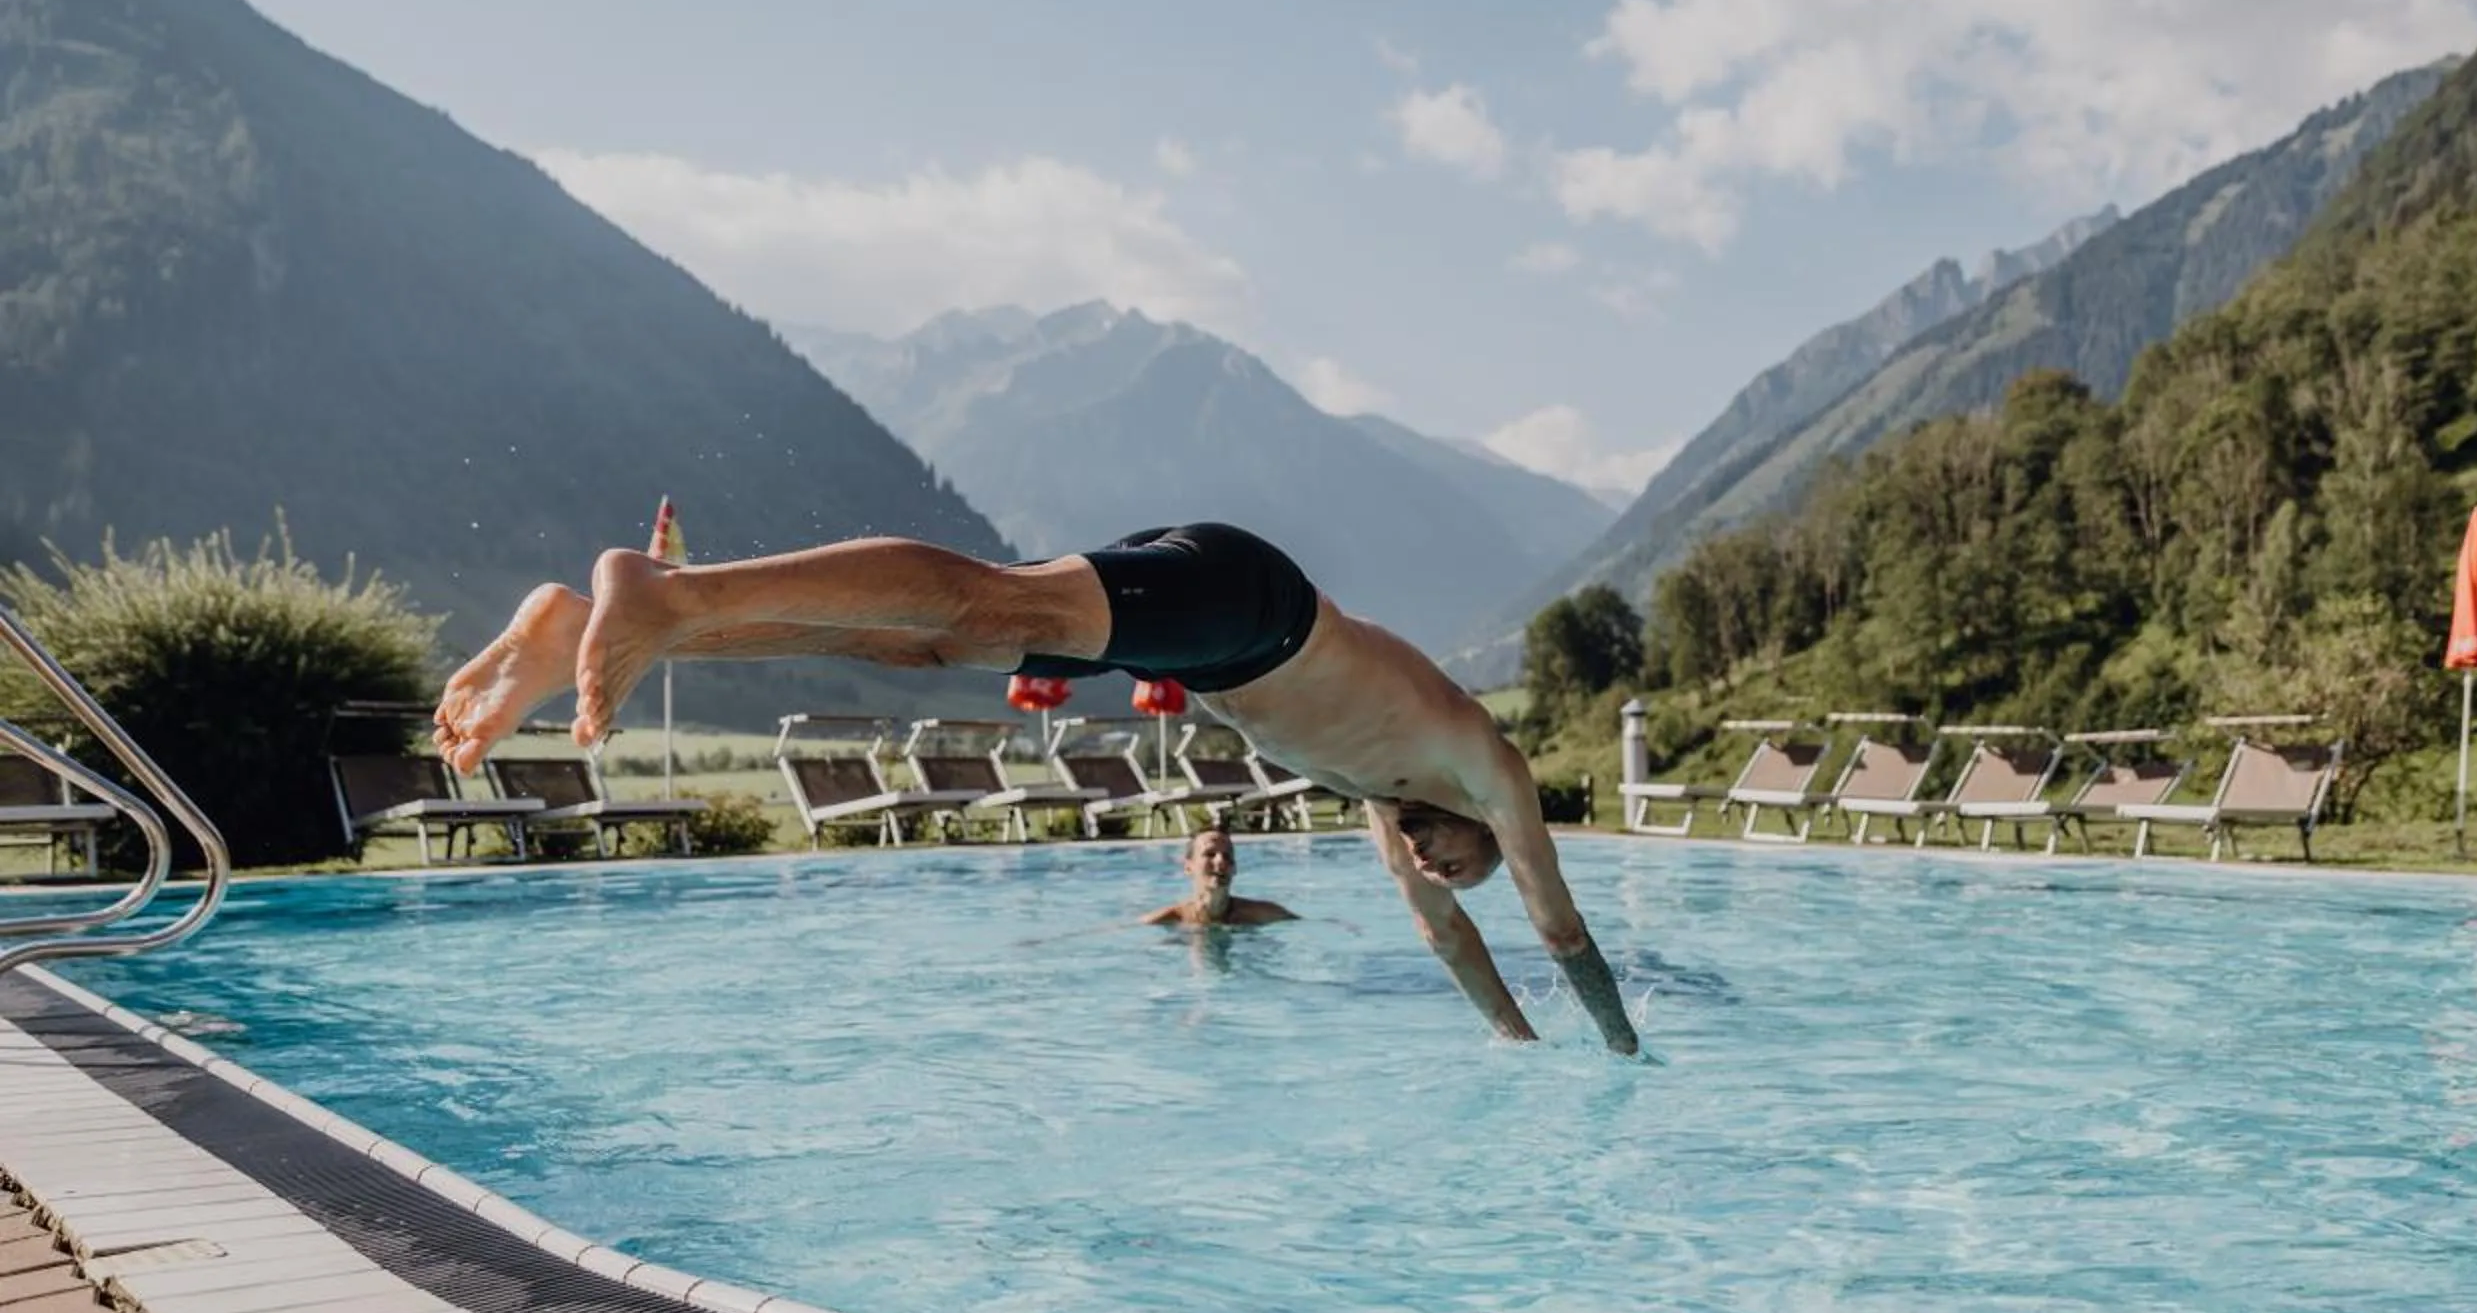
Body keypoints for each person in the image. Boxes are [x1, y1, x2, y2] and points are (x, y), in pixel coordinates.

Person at [433, 522, 1641, 1055]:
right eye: (1466, 859)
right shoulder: (1486, 761)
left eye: (1445, 873)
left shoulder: (1396, 821)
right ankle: (670, 591)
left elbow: (1460, 949)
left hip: (1202, 650)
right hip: (1253, 604)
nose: (1442, 872)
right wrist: (1620, 1041)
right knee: (986, 603)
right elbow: (1553, 920)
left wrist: (1517, 1040)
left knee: (919, 645)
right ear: (1496, 827)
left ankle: (596, 625)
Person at [1143, 821, 1296, 929]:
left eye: (1227, 856)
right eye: (1210, 854)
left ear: (1234, 868)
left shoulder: (1264, 913)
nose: (1220, 862)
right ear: (1189, 867)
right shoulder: (1164, 921)